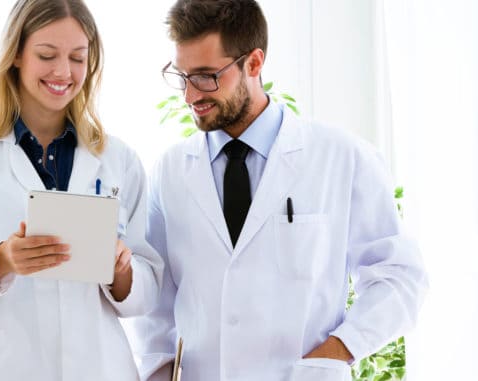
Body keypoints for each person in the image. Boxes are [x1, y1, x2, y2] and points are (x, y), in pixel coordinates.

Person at [133, 1, 428, 380]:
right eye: (182, 76)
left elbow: (400, 276)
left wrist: (337, 352)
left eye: (206, 77)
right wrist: (159, 372)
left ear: (254, 64)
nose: (190, 96)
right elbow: (156, 299)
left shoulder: (342, 157)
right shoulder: (170, 170)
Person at [0, 1, 163, 380]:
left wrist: (121, 271)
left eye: (78, 58)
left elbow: (148, 286)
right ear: (15, 54)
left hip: (98, 367)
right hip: (3, 367)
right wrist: (3, 259)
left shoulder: (119, 159)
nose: (63, 72)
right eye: (47, 55)